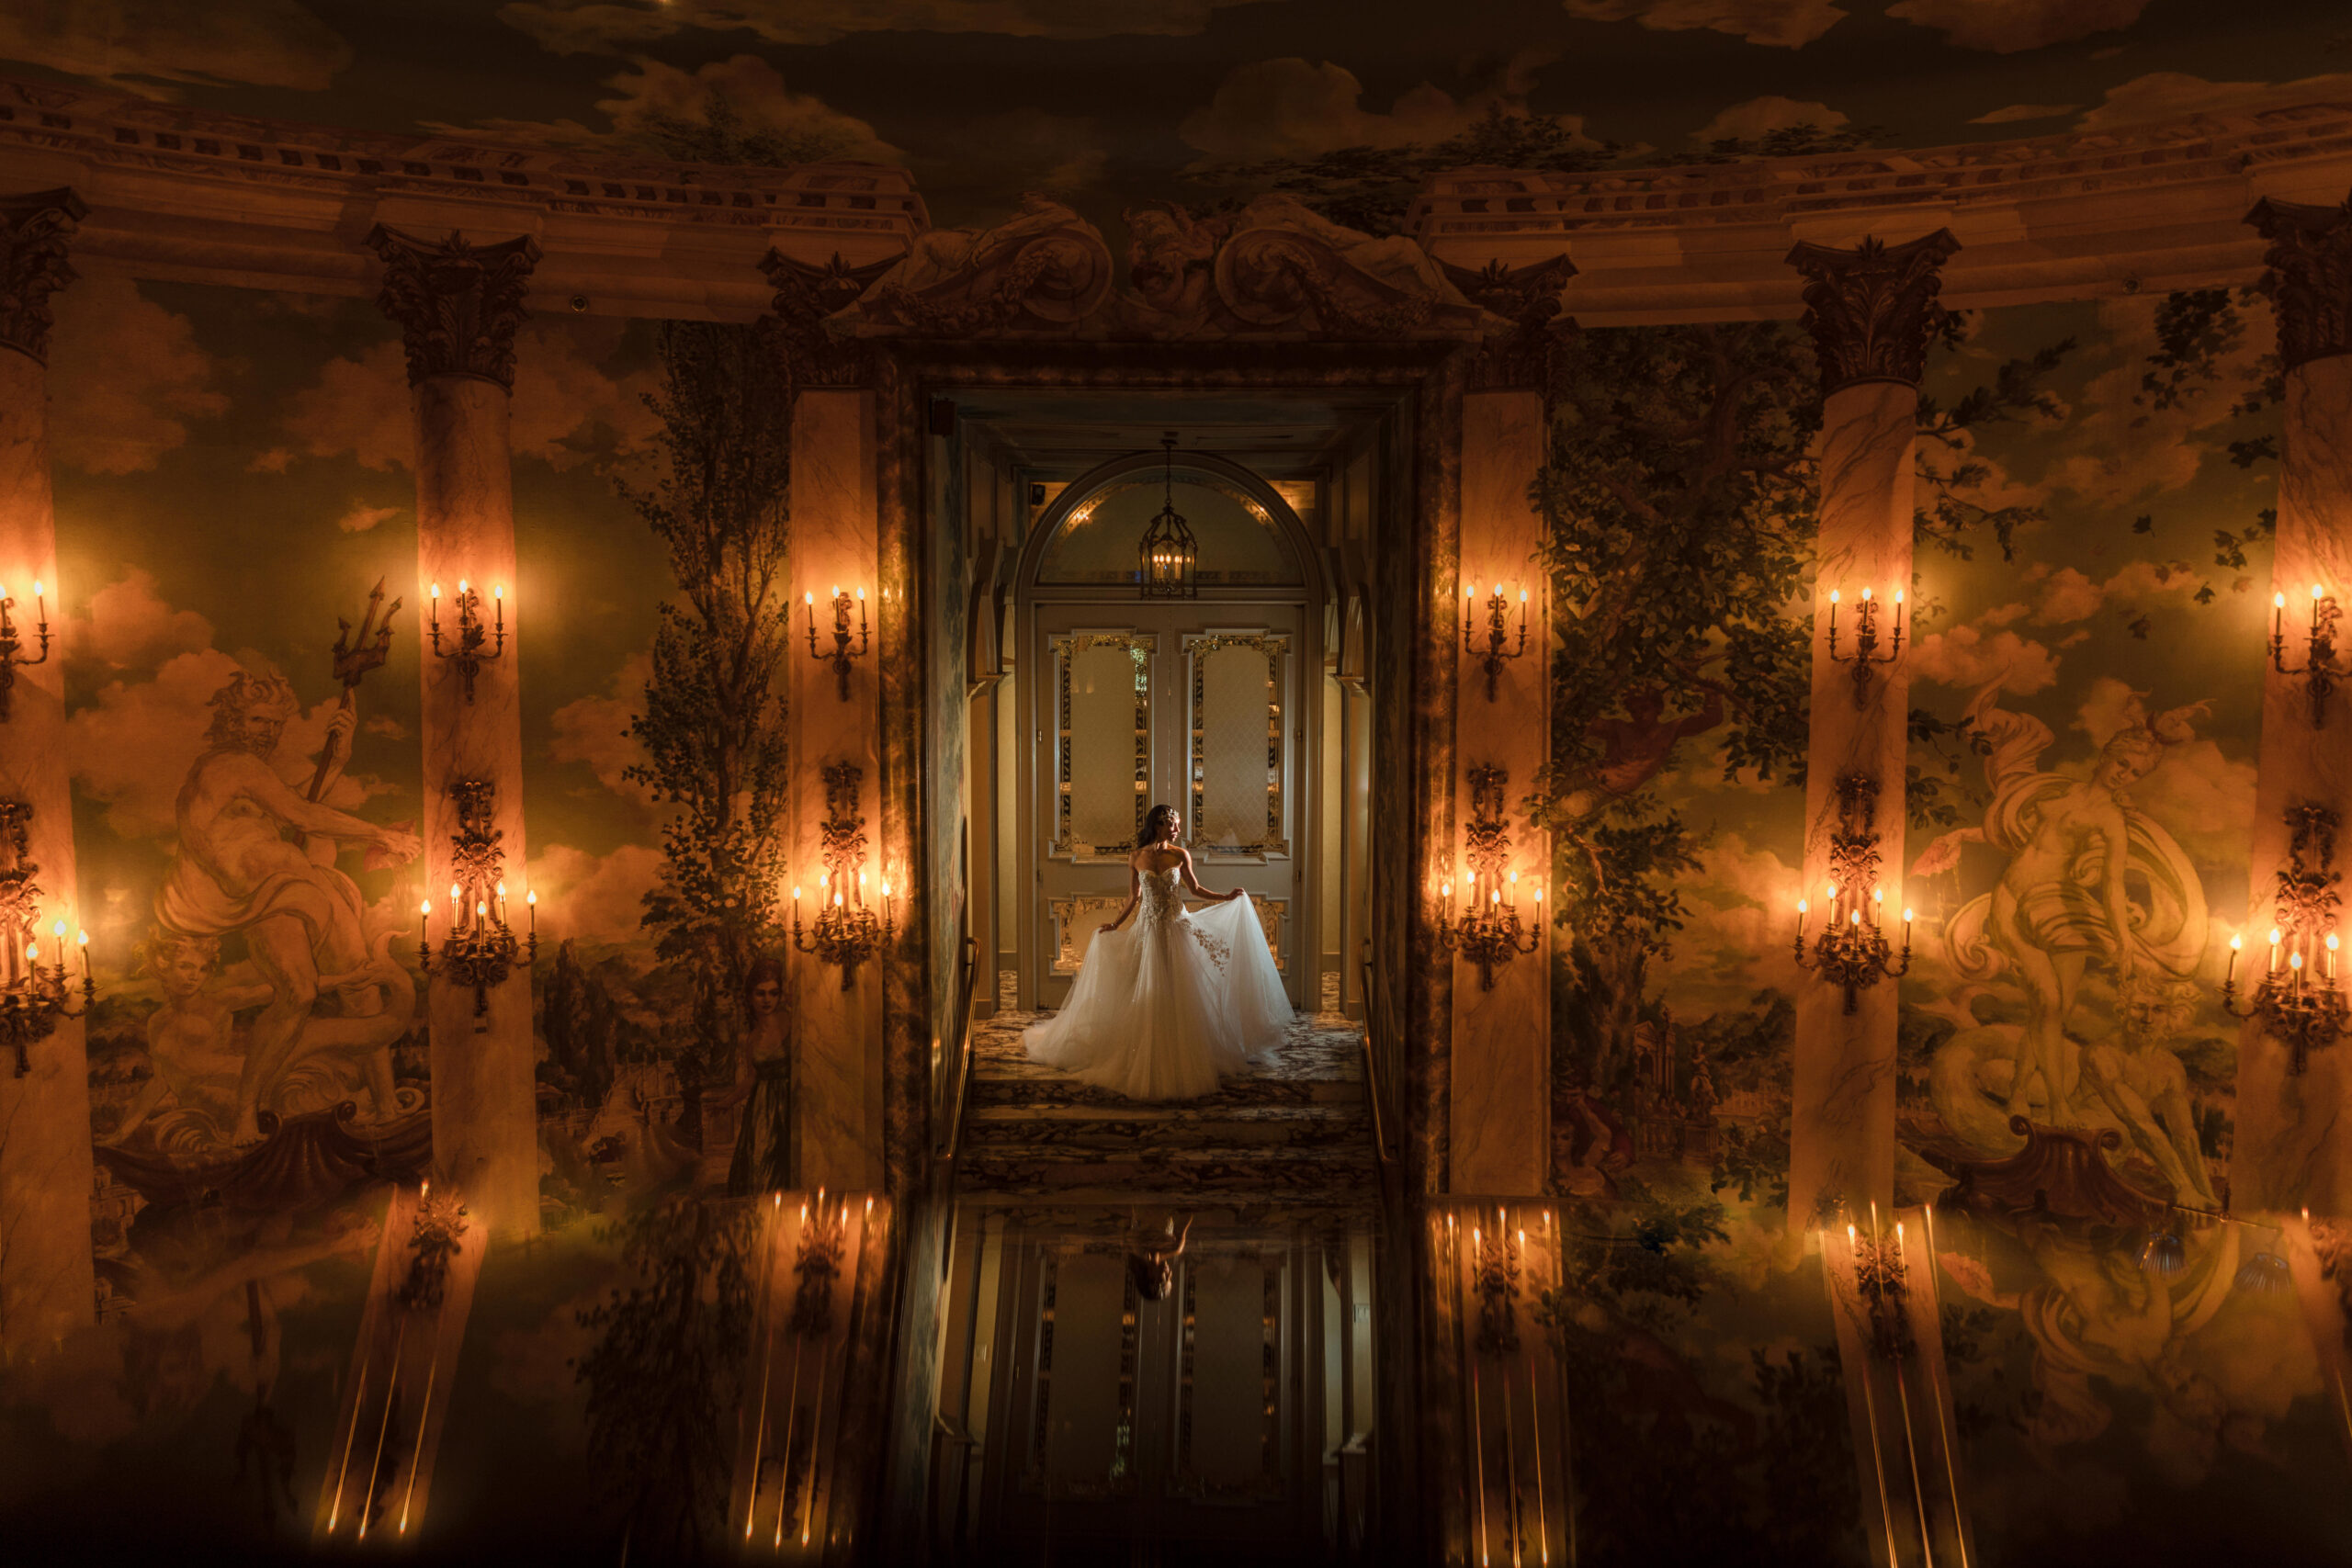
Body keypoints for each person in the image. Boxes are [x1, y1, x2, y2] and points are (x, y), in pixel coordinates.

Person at [1025, 803, 1292, 1100]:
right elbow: (1133, 897)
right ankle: (1148, 1057)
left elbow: (1195, 889)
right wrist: (1114, 924)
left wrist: (1226, 896)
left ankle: (1186, 1055)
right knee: (1148, 993)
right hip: (1148, 932)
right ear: (1158, 825)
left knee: (1183, 995)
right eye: (1173, 825)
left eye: (1177, 825)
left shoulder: (1180, 855)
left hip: (1177, 929)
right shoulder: (1136, 857)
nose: (1178, 830)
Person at [723, 958, 794, 1196]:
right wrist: (727, 1102)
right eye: (761, 993)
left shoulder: (792, 1021)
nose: (767, 1000)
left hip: (790, 1104)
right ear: (750, 997)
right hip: (762, 1109)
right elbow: (752, 1079)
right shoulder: (752, 1039)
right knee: (759, 1163)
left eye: (773, 993)